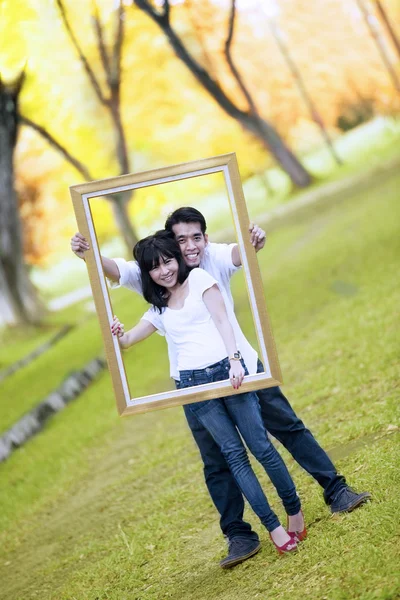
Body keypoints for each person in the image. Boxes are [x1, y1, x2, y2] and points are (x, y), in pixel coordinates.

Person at [71, 206, 370, 569]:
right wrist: (87, 251)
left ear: (205, 237)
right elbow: (116, 270)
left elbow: (239, 253)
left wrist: (253, 240)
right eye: (182, 239)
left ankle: (335, 490)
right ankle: (240, 533)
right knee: (217, 459)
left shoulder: (209, 258)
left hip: (241, 365)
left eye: (197, 237)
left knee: (285, 429)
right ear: (170, 242)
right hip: (192, 380)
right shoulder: (160, 267)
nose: (190, 246)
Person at [111, 231, 305, 556]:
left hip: (228, 374)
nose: (164, 271)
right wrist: (117, 334)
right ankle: (272, 527)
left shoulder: (200, 278)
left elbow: (223, 320)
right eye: (155, 267)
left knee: (260, 446)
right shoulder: (157, 309)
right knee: (234, 455)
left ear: (176, 259)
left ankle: (294, 511)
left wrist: (234, 360)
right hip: (193, 386)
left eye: (168, 261)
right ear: (148, 274)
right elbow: (129, 341)